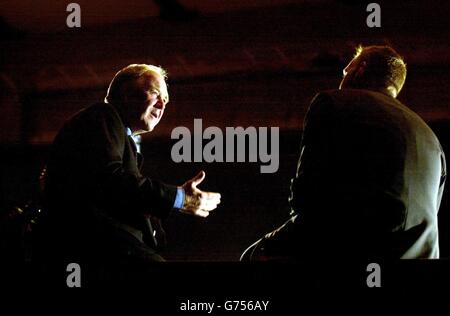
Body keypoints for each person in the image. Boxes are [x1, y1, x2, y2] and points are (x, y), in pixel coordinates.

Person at [241, 45, 446, 261]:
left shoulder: (334, 103)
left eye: (347, 69)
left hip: (348, 248)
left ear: (359, 69)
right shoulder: (431, 138)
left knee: (253, 257)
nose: (344, 73)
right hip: (419, 260)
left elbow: (308, 194)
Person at [35, 64, 221, 266]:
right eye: (155, 94)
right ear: (126, 93)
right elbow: (110, 180)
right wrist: (179, 198)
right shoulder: (103, 115)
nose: (162, 105)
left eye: (165, 100)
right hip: (95, 248)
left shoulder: (121, 137)